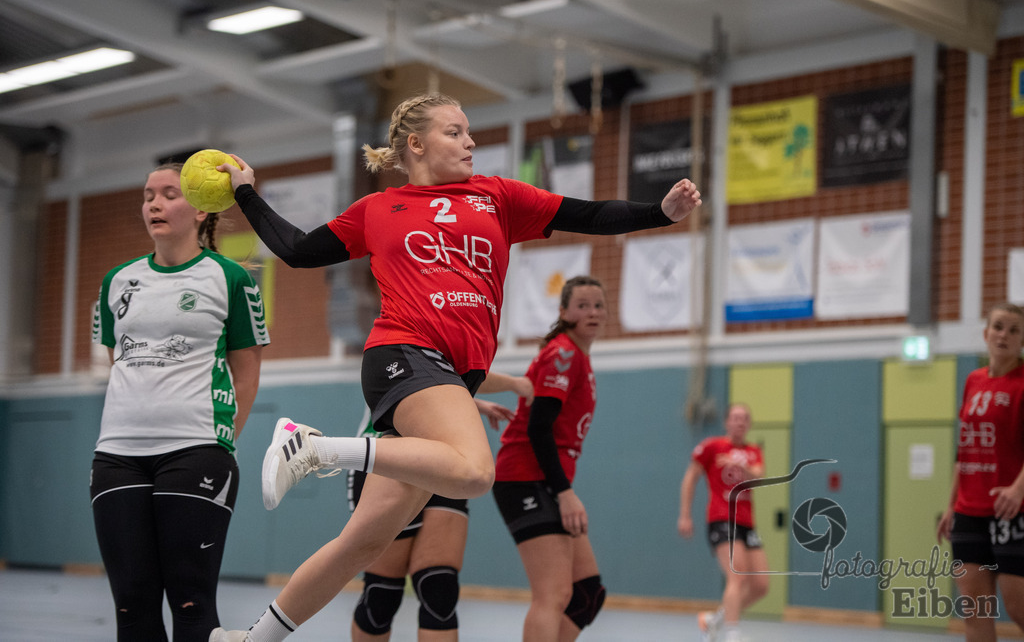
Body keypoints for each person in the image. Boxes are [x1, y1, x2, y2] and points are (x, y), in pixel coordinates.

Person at [210, 91, 701, 641]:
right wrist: (245, 192)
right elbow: (298, 250)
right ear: (416, 144)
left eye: (469, 133)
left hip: (451, 377)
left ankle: (250, 639)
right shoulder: (378, 209)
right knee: (474, 471)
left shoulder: (498, 197)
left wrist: (658, 213)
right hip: (403, 351)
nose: (470, 143)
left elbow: (586, 214)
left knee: (362, 543)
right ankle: (314, 447)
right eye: (455, 132)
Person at [90, 163, 268, 641]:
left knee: (191, 602)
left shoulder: (231, 278)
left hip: (196, 450)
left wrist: (220, 442)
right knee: (131, 606)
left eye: (169, 194)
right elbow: (117, 361)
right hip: (117, 455)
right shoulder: (116, 281)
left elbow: (246, 372)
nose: (154, 204)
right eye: (148, 195)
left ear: (201, 209)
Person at [348, 372, 532, 642]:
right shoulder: (396, 347)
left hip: (445, 457)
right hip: (391, 454)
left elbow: (447, 379)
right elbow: (424, 376)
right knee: (382, 595)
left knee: (439, 588)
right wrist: (516, 384)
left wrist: (474, 403)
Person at [491, 275, 610, 641]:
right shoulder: (563, 354)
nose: (592, 312)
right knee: (554, 594)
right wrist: (564, 492)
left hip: (544, 480)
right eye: (582, 306)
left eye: (598, 306)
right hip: (524, 478)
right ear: (564, 312)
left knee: (586, 593)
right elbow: (538, 427)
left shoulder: (578, 356)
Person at [937, 302, 1024, 641]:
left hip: (1011, 511)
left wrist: (1017, 489)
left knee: (1017, 607)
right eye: (998, 327)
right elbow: (965, 449)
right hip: (969, 512)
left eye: (1014, 330)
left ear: (1021, 341)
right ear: (986, 333)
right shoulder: (973, 380)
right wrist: (951, 506)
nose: (1004, 335)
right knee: (975, 611)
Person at [678, 403, 769, 642]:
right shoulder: (712, 446)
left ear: (749, 424)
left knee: (761, 585)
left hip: (747, 522)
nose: (740, 422)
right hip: (721, 518)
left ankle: (713, 621)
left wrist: (740, 465)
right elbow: (690, 477)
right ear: (726, 422)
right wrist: (685, 514)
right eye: (735, 418)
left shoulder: (753, 451)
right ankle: (732, 634)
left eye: (744, 418)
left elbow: (759, 476)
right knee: (737, 576)